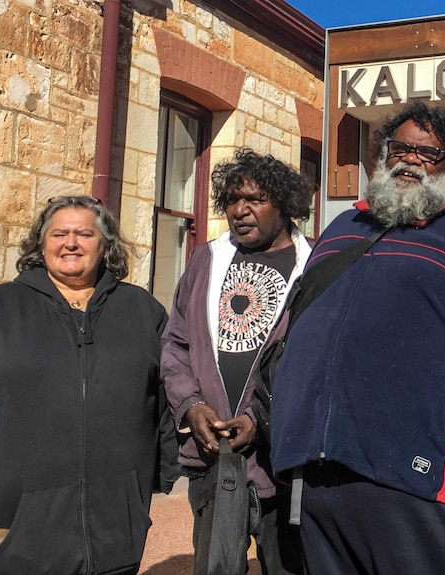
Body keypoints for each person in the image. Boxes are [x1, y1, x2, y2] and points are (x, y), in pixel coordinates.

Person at [269, 101, 445, 574]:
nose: (411, 159)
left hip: (423, 491)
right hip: (318, 480)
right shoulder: (340, 231)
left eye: (429, 153)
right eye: (401, 147)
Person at [0, 195, 179, 575]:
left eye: (84, 234)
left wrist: (166, 470)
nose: (70, 243)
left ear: (105, 244)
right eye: (59, 233)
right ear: (41, 244)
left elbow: (162, 402)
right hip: (22, 534)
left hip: (116, 530)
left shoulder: (142, 312)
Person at [161, 149, 314, 574]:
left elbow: (316, 367)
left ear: (285, 205)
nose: (239, 211)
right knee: (217, 567)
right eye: (231, 200)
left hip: (282, 461)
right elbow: (174, 344)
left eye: (255, 200)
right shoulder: (207, 260)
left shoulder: (314, 267)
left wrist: (258, 418)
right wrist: (191, 405)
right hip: (213, 457)